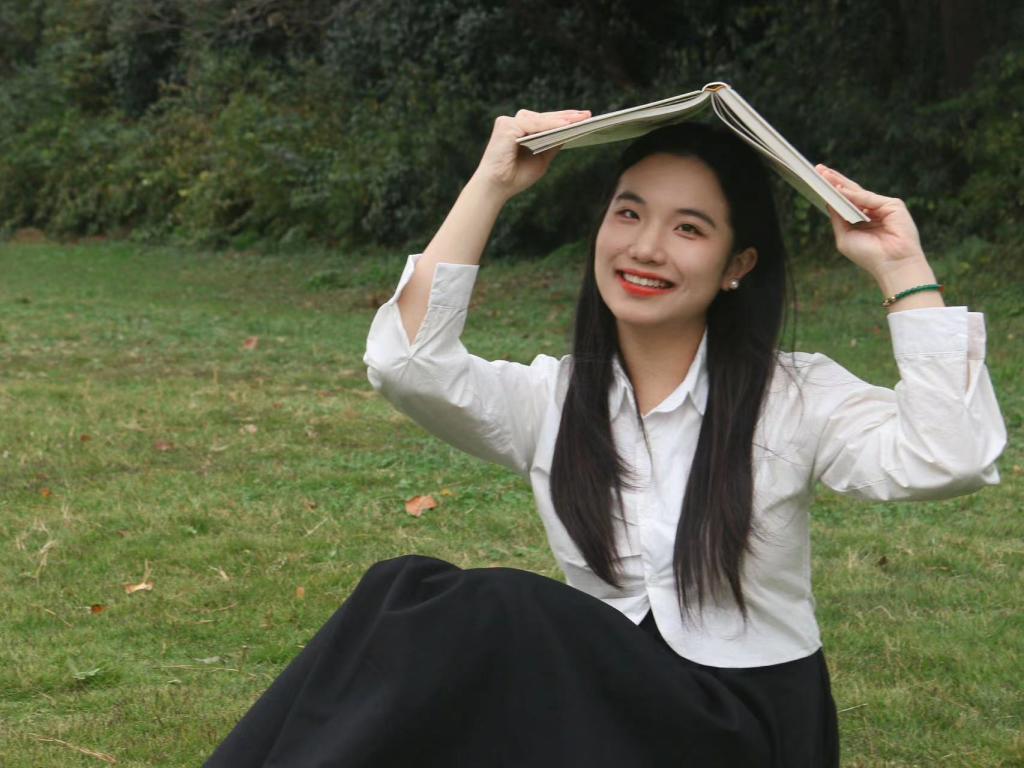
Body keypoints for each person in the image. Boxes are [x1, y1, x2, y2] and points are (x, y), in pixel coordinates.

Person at [206, 110, 1006, 767]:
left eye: (689, 228)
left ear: (737, 264)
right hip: (602, 716)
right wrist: (492, 183)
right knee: (400, 588)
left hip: (744, 729)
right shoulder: (553, 399)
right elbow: (405, 365)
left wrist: (902, 268)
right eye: (628, 213)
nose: (645, 247)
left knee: (493, 611)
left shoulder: (792, 397)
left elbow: (952, 455)